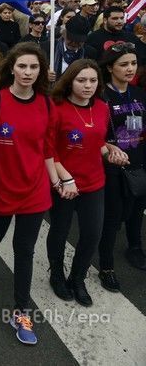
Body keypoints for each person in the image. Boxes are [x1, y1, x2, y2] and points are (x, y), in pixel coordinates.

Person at [0, 43, 58, 345]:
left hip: (34, 190)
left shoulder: (47, 104)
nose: (28, 72)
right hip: (0, 188)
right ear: (11, 68)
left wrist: (59, 181)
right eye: (22, 66)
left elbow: (47, 149)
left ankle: (21, 312)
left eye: (34, 67)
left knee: (25, 250)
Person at [47, 59, 127, 306]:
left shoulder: (102, 107)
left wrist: (111, 152)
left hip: (94, 182)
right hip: (64, 184)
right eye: (81, 80)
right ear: (69, 81)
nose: (88, 85)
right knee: (59, 231)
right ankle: (57, 275)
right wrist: (63, 179)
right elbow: (48, 150)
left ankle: (77, 278)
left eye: (93, 80)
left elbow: (97, 142)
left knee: (92, 234)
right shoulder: (56, 107)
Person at [98, 44, 146, 291]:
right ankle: (106, 266)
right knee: (111, 218)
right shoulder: (100, 97)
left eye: (133, 64)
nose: (130, 69)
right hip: (112, 168)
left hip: (139, 163)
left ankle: (135, 246)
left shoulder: (139, 93)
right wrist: (108, 149)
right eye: (123, 64)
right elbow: (93, 135)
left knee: (137, 211)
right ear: (109, 68)